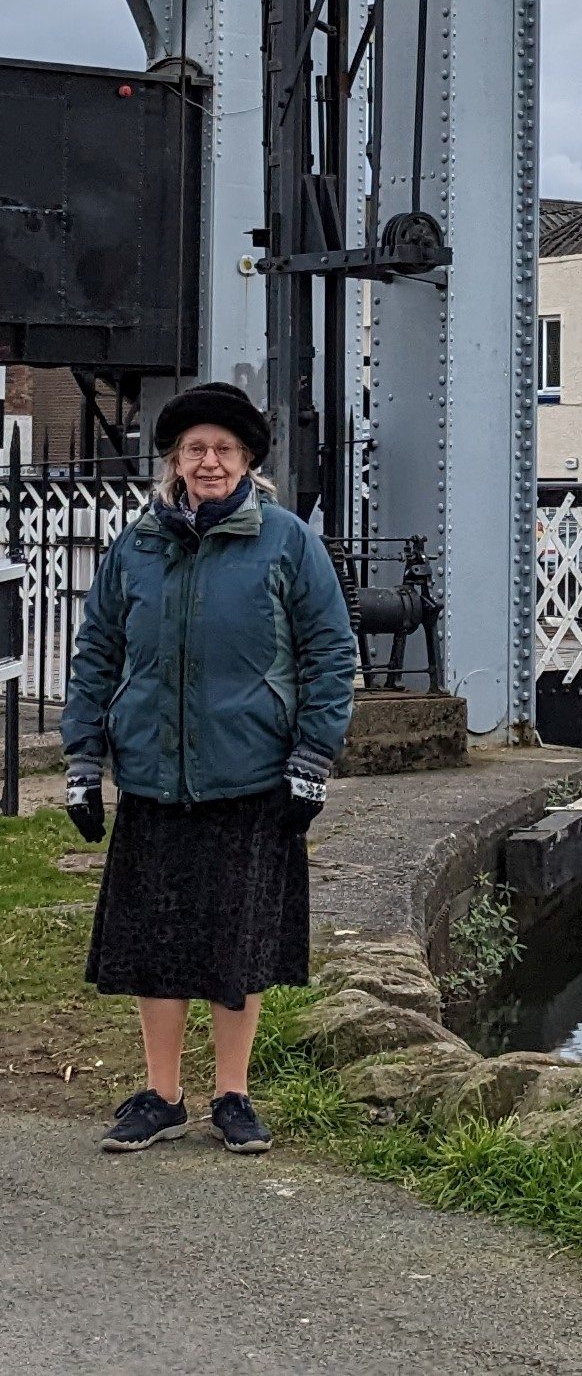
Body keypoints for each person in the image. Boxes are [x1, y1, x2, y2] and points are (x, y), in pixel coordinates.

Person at [60, 381, 355, 1155]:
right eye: (195, 449)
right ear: (175, 462)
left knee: (236, 942)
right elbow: (97, 652)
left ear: (248, 460)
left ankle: (233, 1094)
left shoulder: (287, 543)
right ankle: (161, 1094)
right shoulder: (137, 546)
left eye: (224, 448)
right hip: (155, 773)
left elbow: (329, 654)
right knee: (156, 942)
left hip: (249, 775)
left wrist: (312, 758)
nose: (209, 461)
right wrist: (83, 758)